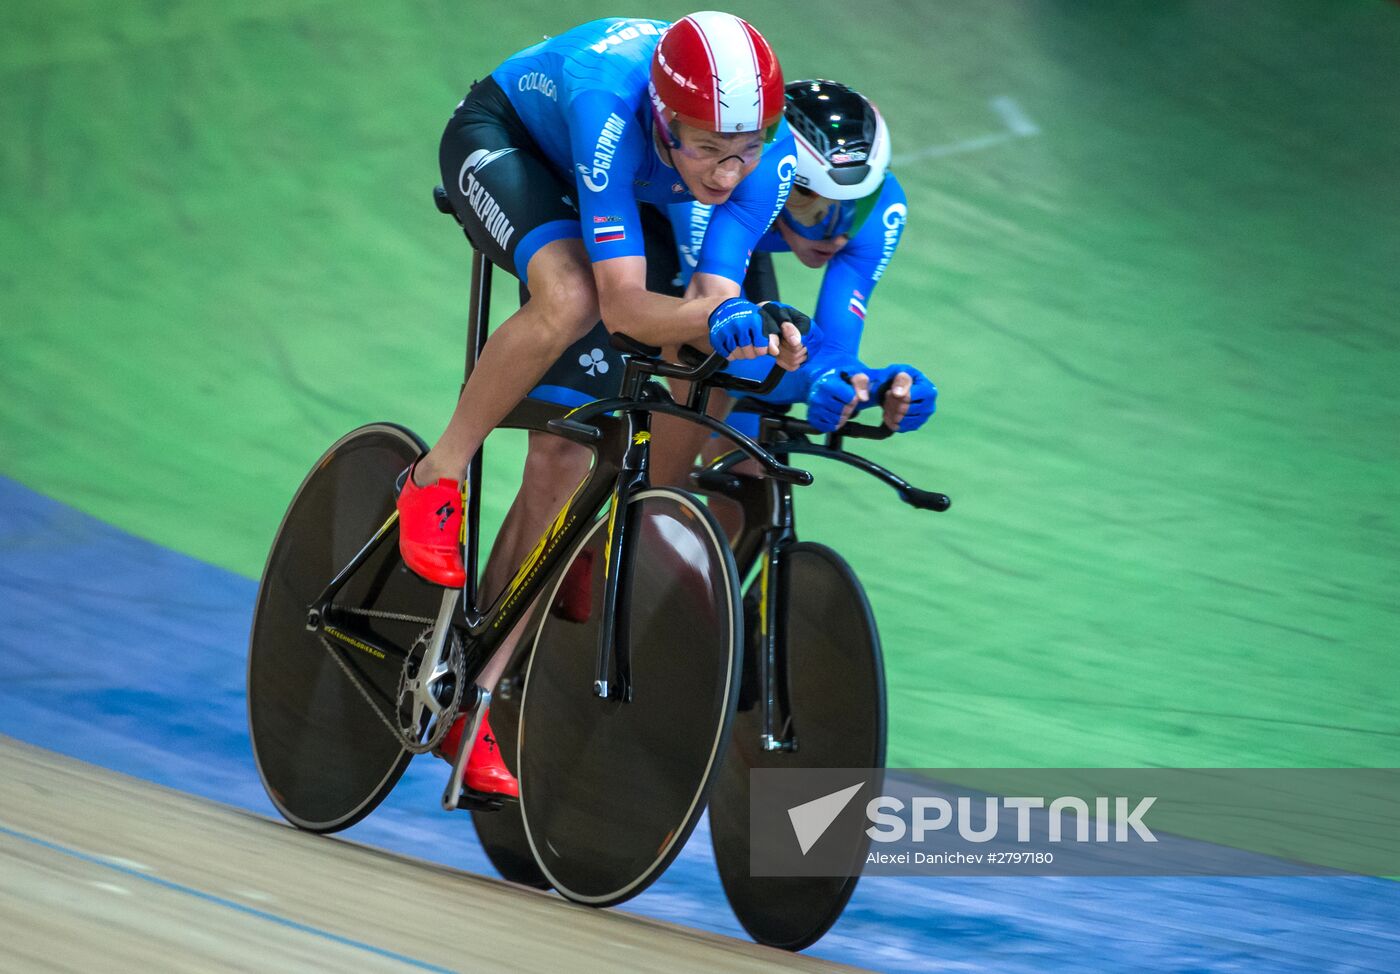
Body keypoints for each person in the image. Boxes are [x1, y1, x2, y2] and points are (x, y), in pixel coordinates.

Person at [400, 14, 813, 797]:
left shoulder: (769, 152)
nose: (727, 176)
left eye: (743, 152)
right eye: (708, 150)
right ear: (665, 120)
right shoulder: (609, 108)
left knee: (583, 445)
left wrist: (757, 332)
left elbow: (709, 297)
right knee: (571, 295)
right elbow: (624, 308)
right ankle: (436, 472)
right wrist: (709, 320)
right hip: (511, 141)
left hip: (634, 192)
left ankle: (477, 699)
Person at [649, 79, 937, 503]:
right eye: (813, 205)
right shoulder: (730, 187)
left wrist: (870, 385)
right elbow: (709, 327)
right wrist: (807, 380)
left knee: (751, 477)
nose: (837, 234)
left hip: (739, 245)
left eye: (855, 206)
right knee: (699, 385)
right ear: (782, 179)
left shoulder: (882, 209)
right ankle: (641, 513)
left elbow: (836, 353)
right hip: (657, 229)